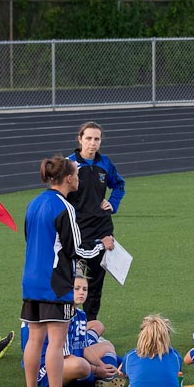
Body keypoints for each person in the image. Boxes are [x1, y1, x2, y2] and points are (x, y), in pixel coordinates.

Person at [21, 156, 114, 387]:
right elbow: (77, 249)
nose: (79, 179)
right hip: (56, 284)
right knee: (55, 342)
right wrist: (102, 245)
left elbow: (30, 239)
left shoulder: (34, 203)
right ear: (69, 178)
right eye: (77, 175)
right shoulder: (65, 207)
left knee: (35, 340)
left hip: (31, 281)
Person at [20, 271, 127, 387]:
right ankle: (98, 377)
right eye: (77, 288)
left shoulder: (80, 314)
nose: (81, 292)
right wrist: (96, 369)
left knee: (106, 346)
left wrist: (102, 366)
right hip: (45, 368)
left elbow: (83, 347)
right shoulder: (59, 314)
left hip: (68, 357)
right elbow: (64, 356)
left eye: (84, 289)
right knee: (81, 365)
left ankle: (111, 373)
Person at [66, 121, 126, 321]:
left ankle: (90, 326)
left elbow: (119, 185)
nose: (93, 143)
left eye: (97, 139)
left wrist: (112, 203)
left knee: (96, 281)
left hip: (102, 228)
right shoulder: (70, 164)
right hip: (78, 230)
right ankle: (70, 323)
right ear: (80, 139)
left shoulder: (105, 163)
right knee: (74, 280)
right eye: (89, 138)